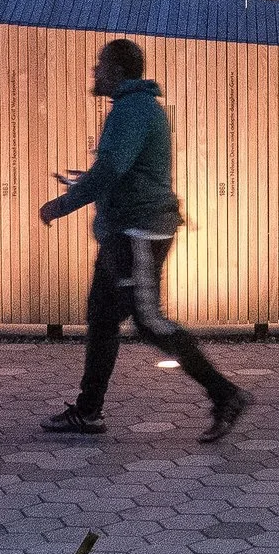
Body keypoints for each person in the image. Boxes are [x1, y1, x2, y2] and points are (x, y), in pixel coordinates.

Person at [37, 38, 249, 443]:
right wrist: (88, 181)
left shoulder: (133, 110)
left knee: (148, 322)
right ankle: (88, 412)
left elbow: (113, 168)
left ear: (117, 71)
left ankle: (226, 394)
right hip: (125, 231)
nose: (94, 72)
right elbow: (121, 169)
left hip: (139, 232)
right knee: (102, 318)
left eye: (99, 65)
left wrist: (61, 205)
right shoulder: (132, 109)